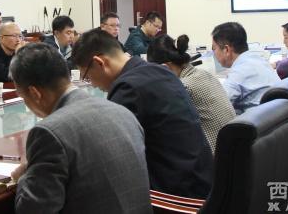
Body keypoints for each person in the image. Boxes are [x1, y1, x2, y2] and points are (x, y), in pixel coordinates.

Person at [10, 43, 152, 214]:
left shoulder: (49, 132)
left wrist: (24, 177)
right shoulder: (121, 111)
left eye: (22, 97)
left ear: (35, 93)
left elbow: (33, 210)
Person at [72, 29, 213, 198]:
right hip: (202, 182)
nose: (93, 85)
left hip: (175, 197)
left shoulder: (128, 89)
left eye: (88, 77)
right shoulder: (159, 71)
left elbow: (114, 156)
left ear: (100, 63)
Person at [147, 34, 235, 155]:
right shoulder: (204, 74)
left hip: (213, 158)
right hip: (230, 152)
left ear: (165, 68)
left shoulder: (182, 87)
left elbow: (164, 129)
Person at [211, 22, 279, 114]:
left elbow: (218, 107)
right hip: (274, 116)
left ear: (226, 50)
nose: (214, 53)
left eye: (214, 48)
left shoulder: (240, 71)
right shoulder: (258, 59)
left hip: (259, 119)